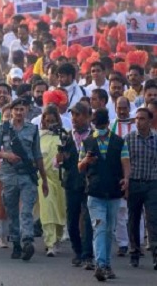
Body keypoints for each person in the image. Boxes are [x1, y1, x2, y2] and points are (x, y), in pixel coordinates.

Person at [0, 98, 49, 261]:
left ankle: (27, 240)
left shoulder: (32, 129)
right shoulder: (4, 128)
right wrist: (6, 155)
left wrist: (43, 179)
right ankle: (16, 242)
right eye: (16, 110)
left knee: (26, 210)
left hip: (27, 175)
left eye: (22, 109)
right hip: (9, 174)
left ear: (26, 111)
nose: (19, 113)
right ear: (12, 111)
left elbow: (37, 155)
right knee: (12, 211)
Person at [78, 109, 130, 281]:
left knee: (109, 230)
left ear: (107, 124)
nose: (99, 128)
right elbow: (80, 166)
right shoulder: (87, 143)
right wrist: (86, 160)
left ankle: (106, 264)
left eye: (101, 124)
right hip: (95, 192)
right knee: (100, 228)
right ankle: (101, 264)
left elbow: (125, 162)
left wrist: (126, 179)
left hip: (114, 191)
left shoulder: (119, 142)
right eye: (96, 125)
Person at [58, 102, 95, 269]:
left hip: (90, 183)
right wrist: (59, 160)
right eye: (72, 115)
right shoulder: (66, 136)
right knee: (72, 220)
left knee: (88, 220)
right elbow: (58, 162)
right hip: (71, 183)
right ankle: (77, 251)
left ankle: (88, 254)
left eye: (78, 115)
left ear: (88, 117)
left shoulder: (94, 136)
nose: (74, 119)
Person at [123, 107, 157, 269]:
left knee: (153, 220)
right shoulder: (129, 139)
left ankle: (156, 253)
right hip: (134, 183)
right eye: (136, 118)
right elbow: (124, 163)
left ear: (149, 121)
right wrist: (126, 182)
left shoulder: (156, 139)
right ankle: (134, 252)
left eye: (142, 118)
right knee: (133, 219)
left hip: (152, 184)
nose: (138, 121)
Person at [37, 106, 67, 257]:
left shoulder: (64, 136)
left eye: (53, 121)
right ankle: (50, 243)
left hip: (61, 180)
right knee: (47, 211)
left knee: (61, 211)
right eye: (47, 121)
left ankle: (58, 238)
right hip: (43, 180)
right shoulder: (39, 136)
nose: (50, 124)